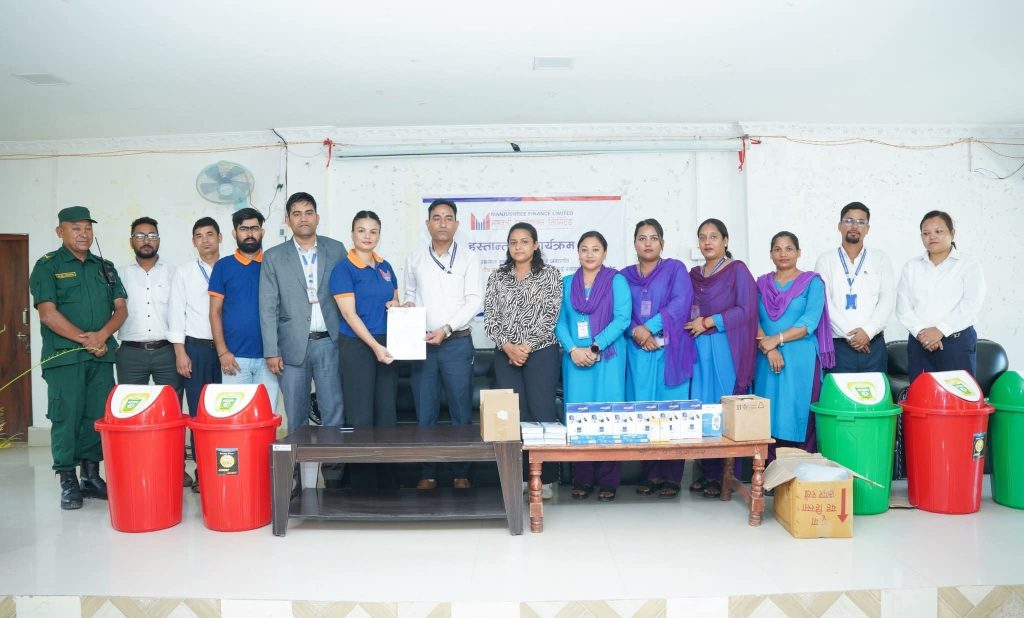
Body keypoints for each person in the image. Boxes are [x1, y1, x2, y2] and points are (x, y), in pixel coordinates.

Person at [29, 206, 127, 509]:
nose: (83, 234)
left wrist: (102, 336)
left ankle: (91, 476)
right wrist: (88, 340)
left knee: (96, 416)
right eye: (76, 228)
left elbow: (121, 309)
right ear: (60, 232)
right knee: (66, 416)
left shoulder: (105, 267)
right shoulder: (48, 266)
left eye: (87, 228)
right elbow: (48, 314)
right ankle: (68, 480)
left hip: (101, 357)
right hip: (65, 358)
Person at [259, 193, 346, 489]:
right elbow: (267, 306)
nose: (303, 218)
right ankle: (294, 479)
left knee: (333, 412)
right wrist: (271, 350)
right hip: (291, 347)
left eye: (309, 212)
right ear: (288, 220)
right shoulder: (273, 257)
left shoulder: (336, 249)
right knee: (296, 416)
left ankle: (333, 478)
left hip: (330, 343)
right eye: (296, 213)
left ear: (317, 217)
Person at [403, 199, 483, 490]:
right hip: (422, 344)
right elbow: (410, 294)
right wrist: (406, 306)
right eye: (436, 218)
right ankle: (428, 473)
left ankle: (461, 472)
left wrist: (446, 329)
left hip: (456, 344)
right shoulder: (414, 258)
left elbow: (474, 300)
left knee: (461, 411)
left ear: (456, 224)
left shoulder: (469, 259)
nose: (442, 223)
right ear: (428, 224)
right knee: (425, 413)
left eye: (448, 218)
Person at [484, 222, 563, 495]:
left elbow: (550, 316)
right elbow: (491, 319)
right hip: (505, 355)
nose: (518, 247)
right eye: (513, 242)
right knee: (512, 417)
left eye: (524, 241)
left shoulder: (550, 275)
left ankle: (546, 479)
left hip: (541, 353)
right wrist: (508, 347)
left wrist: (526, 347)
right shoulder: (497, 277)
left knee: (542, 412)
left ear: (535, 245)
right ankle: (517, 478)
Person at [622, 219, 697, 499]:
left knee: (671, 412)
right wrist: (637, 332)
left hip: (671, 352)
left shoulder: (675, 269)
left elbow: (681, 303)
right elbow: (621, 311)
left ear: (662, 243)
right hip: (639, 352)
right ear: (634, 244)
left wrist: (649, 328)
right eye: (642, 238)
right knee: (644, 412)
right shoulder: (624, 276)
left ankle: (672, 477)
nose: (648, 243)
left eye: (653, 238)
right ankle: (650, 474)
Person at [684, 218, 758, 498]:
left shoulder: (738, 270)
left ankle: (726, 477)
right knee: (702, 408)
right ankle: (707, 472)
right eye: (702, 237)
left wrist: (709, 321)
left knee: (723, 408)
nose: (707, 242)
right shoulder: (694, 275)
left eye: (713, 236)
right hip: (699, 348)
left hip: (727, 347)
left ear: (725, 240)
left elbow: (747, 310)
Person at [555, 231, 631, 502]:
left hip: (607, 358)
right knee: (580, 418)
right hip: (575, 359)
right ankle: (582, 479)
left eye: (595, 249)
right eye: (584, 249)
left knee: (609, 416)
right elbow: (559, 322)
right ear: (578, 253)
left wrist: (596, 347)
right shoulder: (566, 283)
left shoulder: (616, 281)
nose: (589, 254)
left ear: (604, 253)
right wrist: (573, 349)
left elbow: (622, 319)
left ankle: (609, 481)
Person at [330, 211, 400, 489]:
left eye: (373, 231)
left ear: (379, 235)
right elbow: (349, 315)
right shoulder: (343, 269)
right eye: (361, 230)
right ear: (352, 234)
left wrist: (398, 306)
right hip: (358, 346)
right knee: (361, 417)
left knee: (387, 415)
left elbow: (394, 299)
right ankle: (363, 487)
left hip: (386, 345)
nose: (367, 236)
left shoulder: (385, 266)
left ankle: (389, 484)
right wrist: (374, 346)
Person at [754, 231, 835, 458]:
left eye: (789, 248)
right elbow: (753, 319)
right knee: (768, 413)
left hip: (802, 359)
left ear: (799, 252)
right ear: (770, 254)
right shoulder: (761, 284)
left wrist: (776, 339)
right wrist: (770, 348)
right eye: (777, 249)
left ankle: (799, 469)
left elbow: (809, 321)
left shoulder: (812, 282)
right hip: (766, 358)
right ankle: (769, 469)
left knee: (799, 412)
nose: (783, 254)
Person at [116, 218, 187, 472]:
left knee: (171, 413)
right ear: (131, 241)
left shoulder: (174, 273)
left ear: (159, 240)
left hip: (166, 352)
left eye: (152, 235)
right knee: (131, 411)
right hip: (130, 353)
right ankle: (136, 468)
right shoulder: (119, 274)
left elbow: (181, 313)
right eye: (140, 236)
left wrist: (180, 350)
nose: (146, 240)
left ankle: (175, 468)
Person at [896, 211, 986, 381]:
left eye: (938, 231)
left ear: (952, 233)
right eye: (926, 233)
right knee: (921, 394)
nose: (932, 237)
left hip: (957, 343)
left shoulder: (968, 264)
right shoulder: (911, 267)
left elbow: (972, 303)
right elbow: (903, 307)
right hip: (920, 343)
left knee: (959, 394)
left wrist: (940, 330)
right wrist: (923, 334)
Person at [168, 216, 223, 493]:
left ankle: (222, 469)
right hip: (196, 349)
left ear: (220, 238)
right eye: (199, 236)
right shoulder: (185, 272)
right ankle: (202, 471)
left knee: (223, 412)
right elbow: (176, 313)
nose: (205, 240)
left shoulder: (231, 267)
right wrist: (180, 352)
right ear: (193, 241)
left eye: (210, 234)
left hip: (227, 351)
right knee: (199, 414)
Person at [209, 208, 280, 408]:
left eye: (254, 228)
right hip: (234, 359)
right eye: (243, 229)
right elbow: (214, 313)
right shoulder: (223, 267)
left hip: (270, 358)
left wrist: (277, 352)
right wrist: (223, 353)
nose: (249, 234)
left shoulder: (273, 264)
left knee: (266, 415)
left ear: (262, 232)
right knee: (236, 417)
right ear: (234, 233)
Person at [813, 202, 895, 374]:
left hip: (873, 344)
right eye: (849, 220)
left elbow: (887, 300)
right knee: (838, 392)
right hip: (839, 346)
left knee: (875, 391)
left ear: (867, 228)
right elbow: (824, 302)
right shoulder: (825, 260)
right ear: (839, 225)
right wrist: (852, 336)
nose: (854, 226)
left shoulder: (880, 258)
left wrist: (867, 332)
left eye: (860, 222)